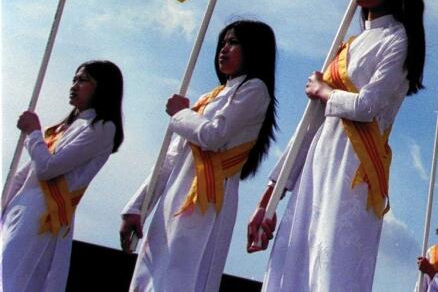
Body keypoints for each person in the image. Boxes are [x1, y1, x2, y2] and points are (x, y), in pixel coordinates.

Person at [250, 0, 426, 291]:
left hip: (354, 172)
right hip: (317, 166)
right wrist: (270, 196)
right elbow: (309, 127)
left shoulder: (398, 40)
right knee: (293, 265)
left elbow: (367, 106)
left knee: (332, 269)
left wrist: (324, 91)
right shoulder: (345, 47)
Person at [120, 20, 277, 291]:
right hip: (176, 193)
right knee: (152, 274)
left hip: (210, 195)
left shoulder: (255, 90)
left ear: (254, 49)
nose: (224, 49)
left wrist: (180, 114)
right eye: (223, 42)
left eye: (234, 42)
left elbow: (215, 135)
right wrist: (137, 207)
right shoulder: (208, 97)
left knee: (185, 274)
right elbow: (170, 160)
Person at [1, 60, 124, 292]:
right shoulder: (63, 128)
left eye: (83, 80)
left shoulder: (102, 127)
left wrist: (33, 132)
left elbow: (48, 169)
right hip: (19, 209)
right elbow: (24, 175)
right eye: (74, 79)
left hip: (45, 215)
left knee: (16, 281)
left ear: (103, 87)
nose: (75, 85)